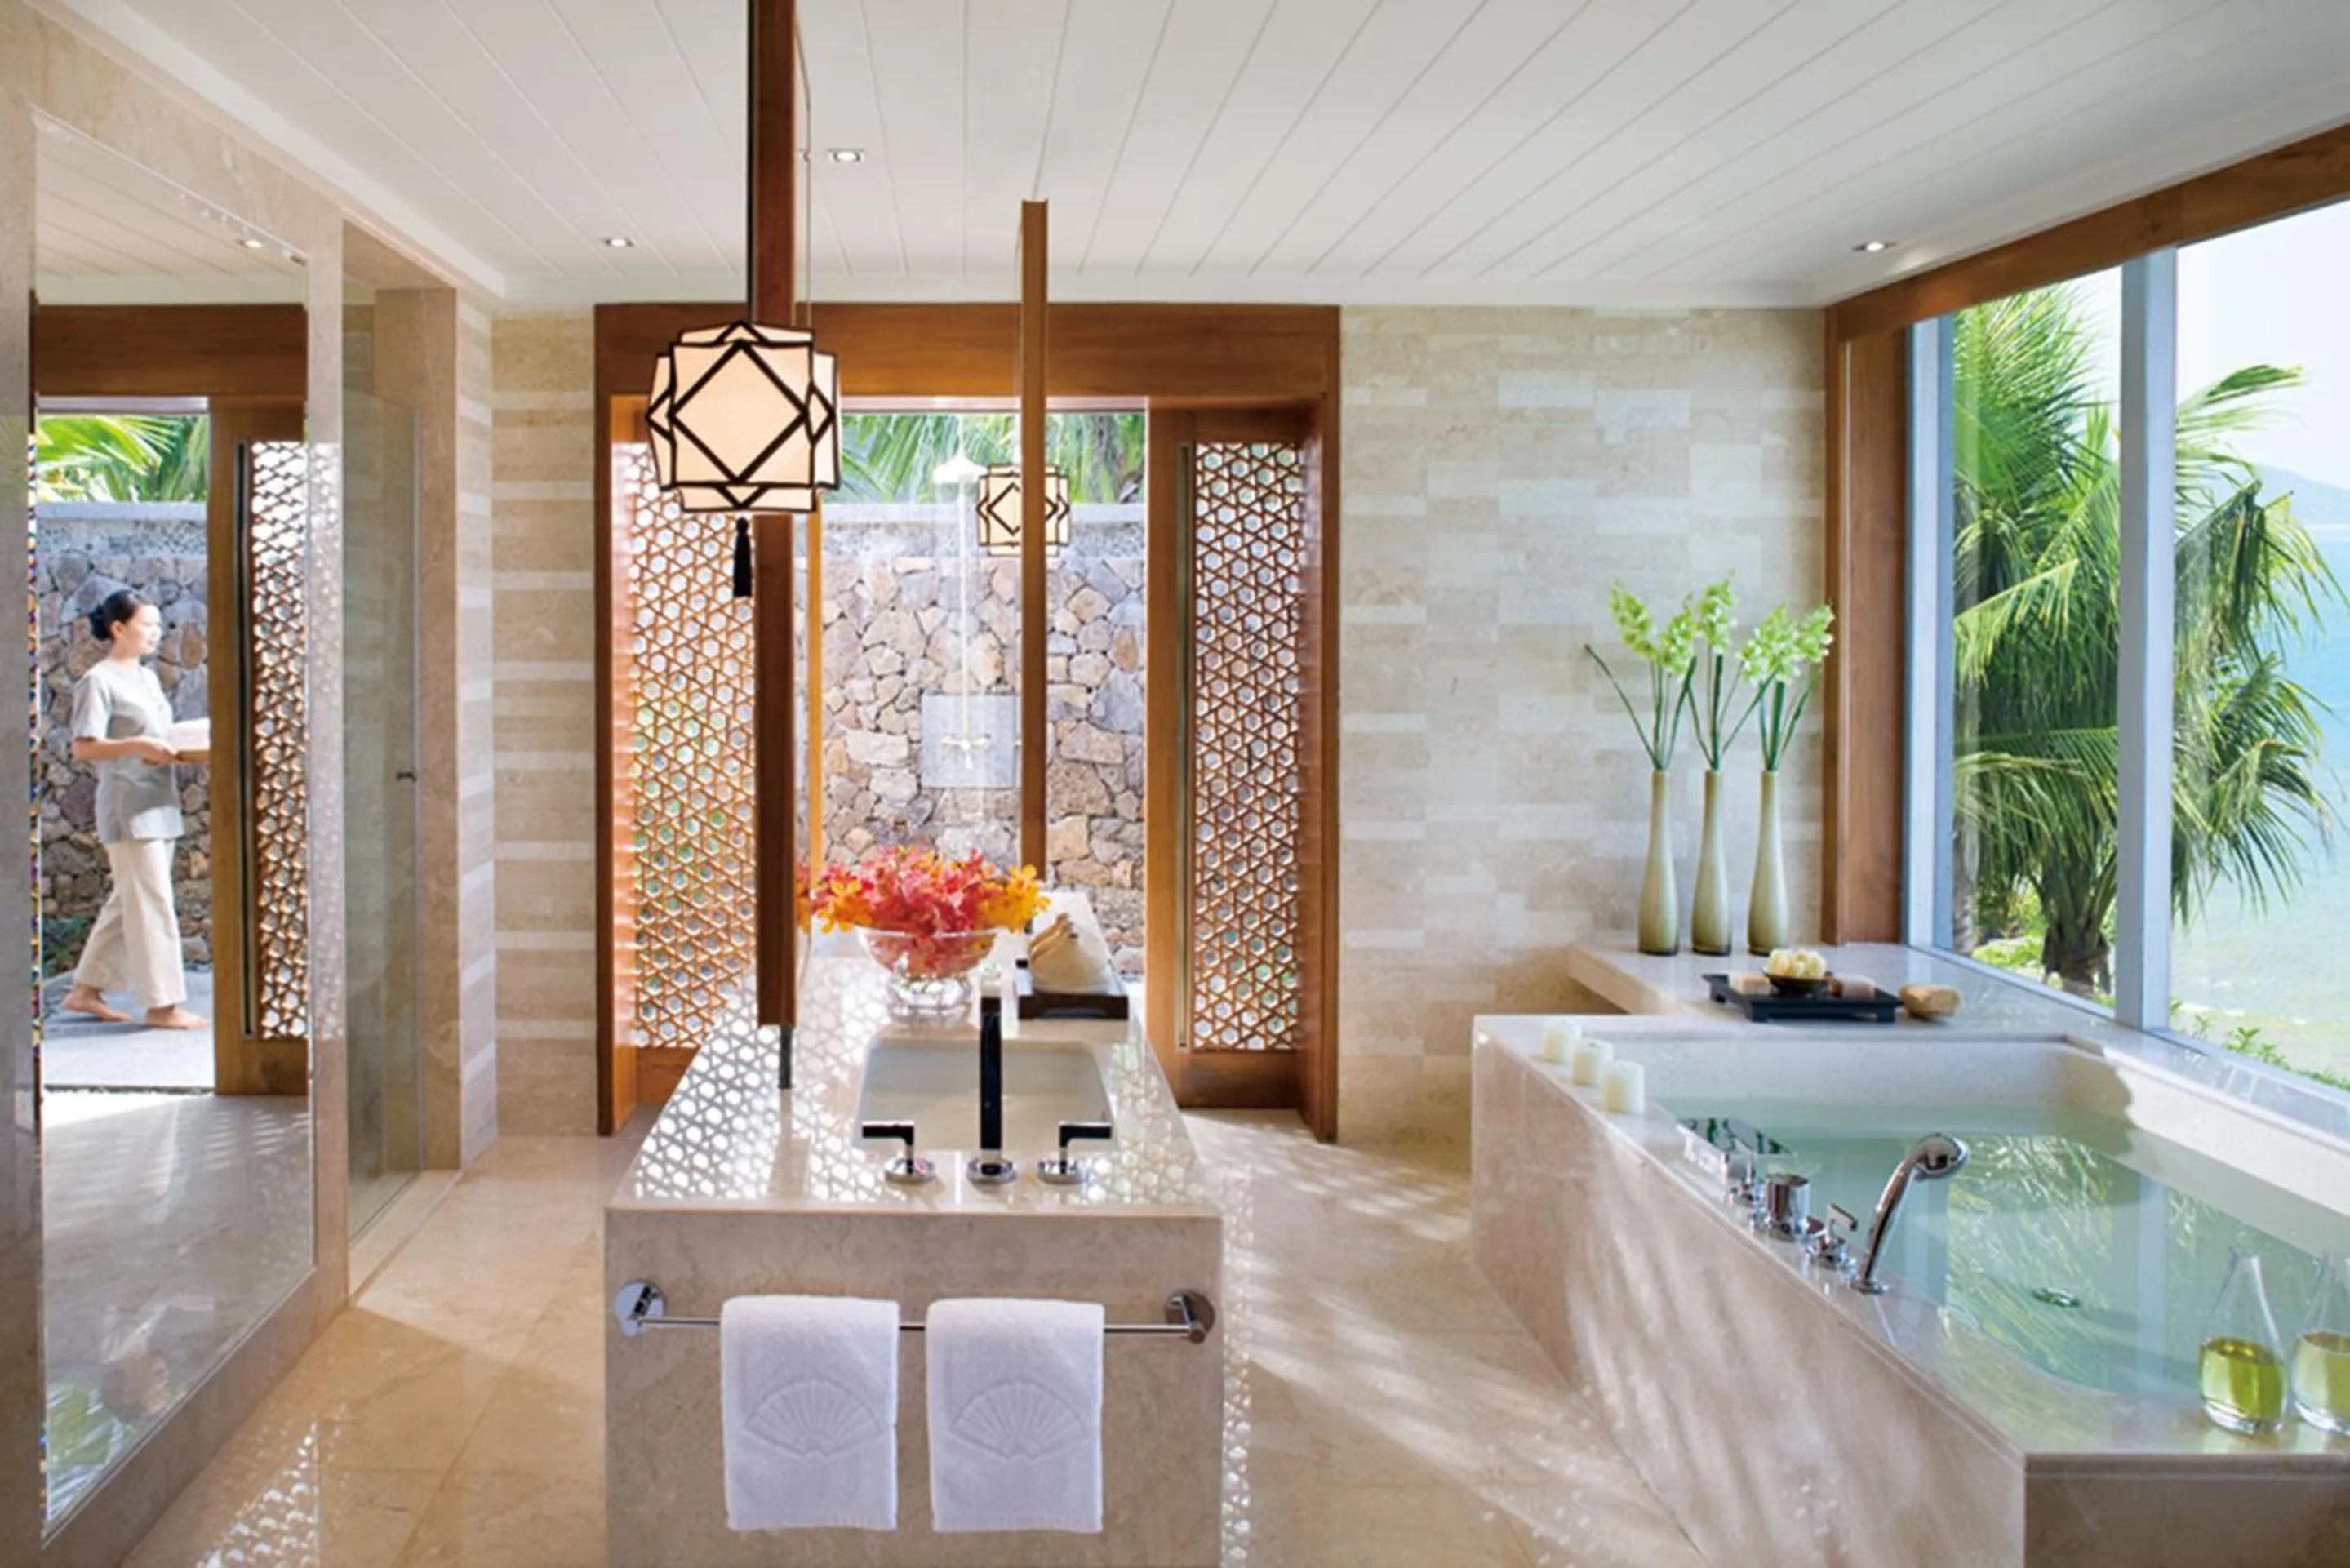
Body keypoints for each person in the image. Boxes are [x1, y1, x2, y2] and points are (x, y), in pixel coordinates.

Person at [60, 589, 203, 1031]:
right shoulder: (98, 681)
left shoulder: (145, 678)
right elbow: (84, 747)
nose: (156, 635)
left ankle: (85, 990)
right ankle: (162, 1006)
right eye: (147, 626)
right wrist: (140, 745)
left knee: (129, 901)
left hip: (158, 802)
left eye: (159, 627)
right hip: (129, 808)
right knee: (154, 904)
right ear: (119, 628)